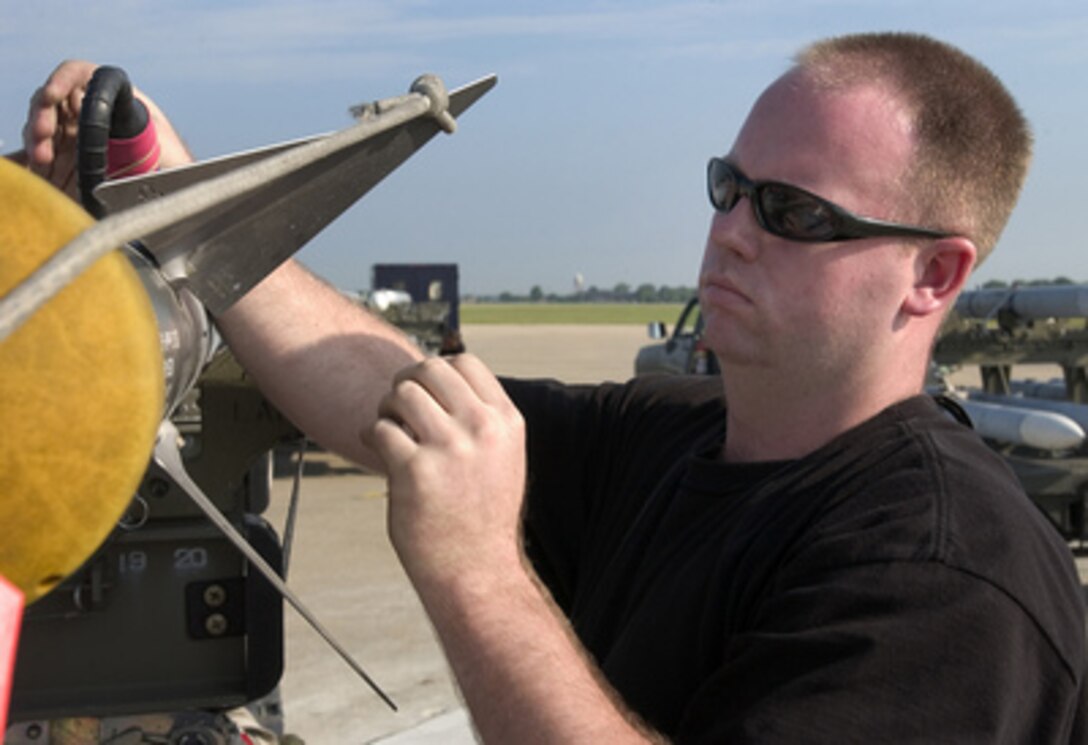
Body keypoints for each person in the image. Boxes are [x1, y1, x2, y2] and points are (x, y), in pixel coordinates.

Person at [19, 33, 1087, 743]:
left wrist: (474, 568)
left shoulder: (946, 581)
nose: (729, 234)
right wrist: (177, 191)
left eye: (795, 215)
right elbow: (391, 395)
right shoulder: (673, 438)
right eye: (730, 189)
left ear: (933, 275)